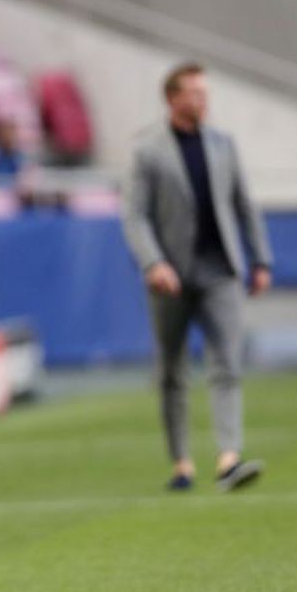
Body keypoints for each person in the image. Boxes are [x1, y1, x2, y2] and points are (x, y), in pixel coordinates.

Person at [123, 63, 273, 492]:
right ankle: (181, 463)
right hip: (170, 276)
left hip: (220, 269)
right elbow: (135, 215)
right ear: (172, 98)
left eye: (205, 93)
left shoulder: (223, 145)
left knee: (227, 362)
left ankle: (229, 458)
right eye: (194, 93)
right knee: (171, 371)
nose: (203, 100)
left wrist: (261, 259)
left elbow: (245, 204)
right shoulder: (147, 150)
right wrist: (154, 263)